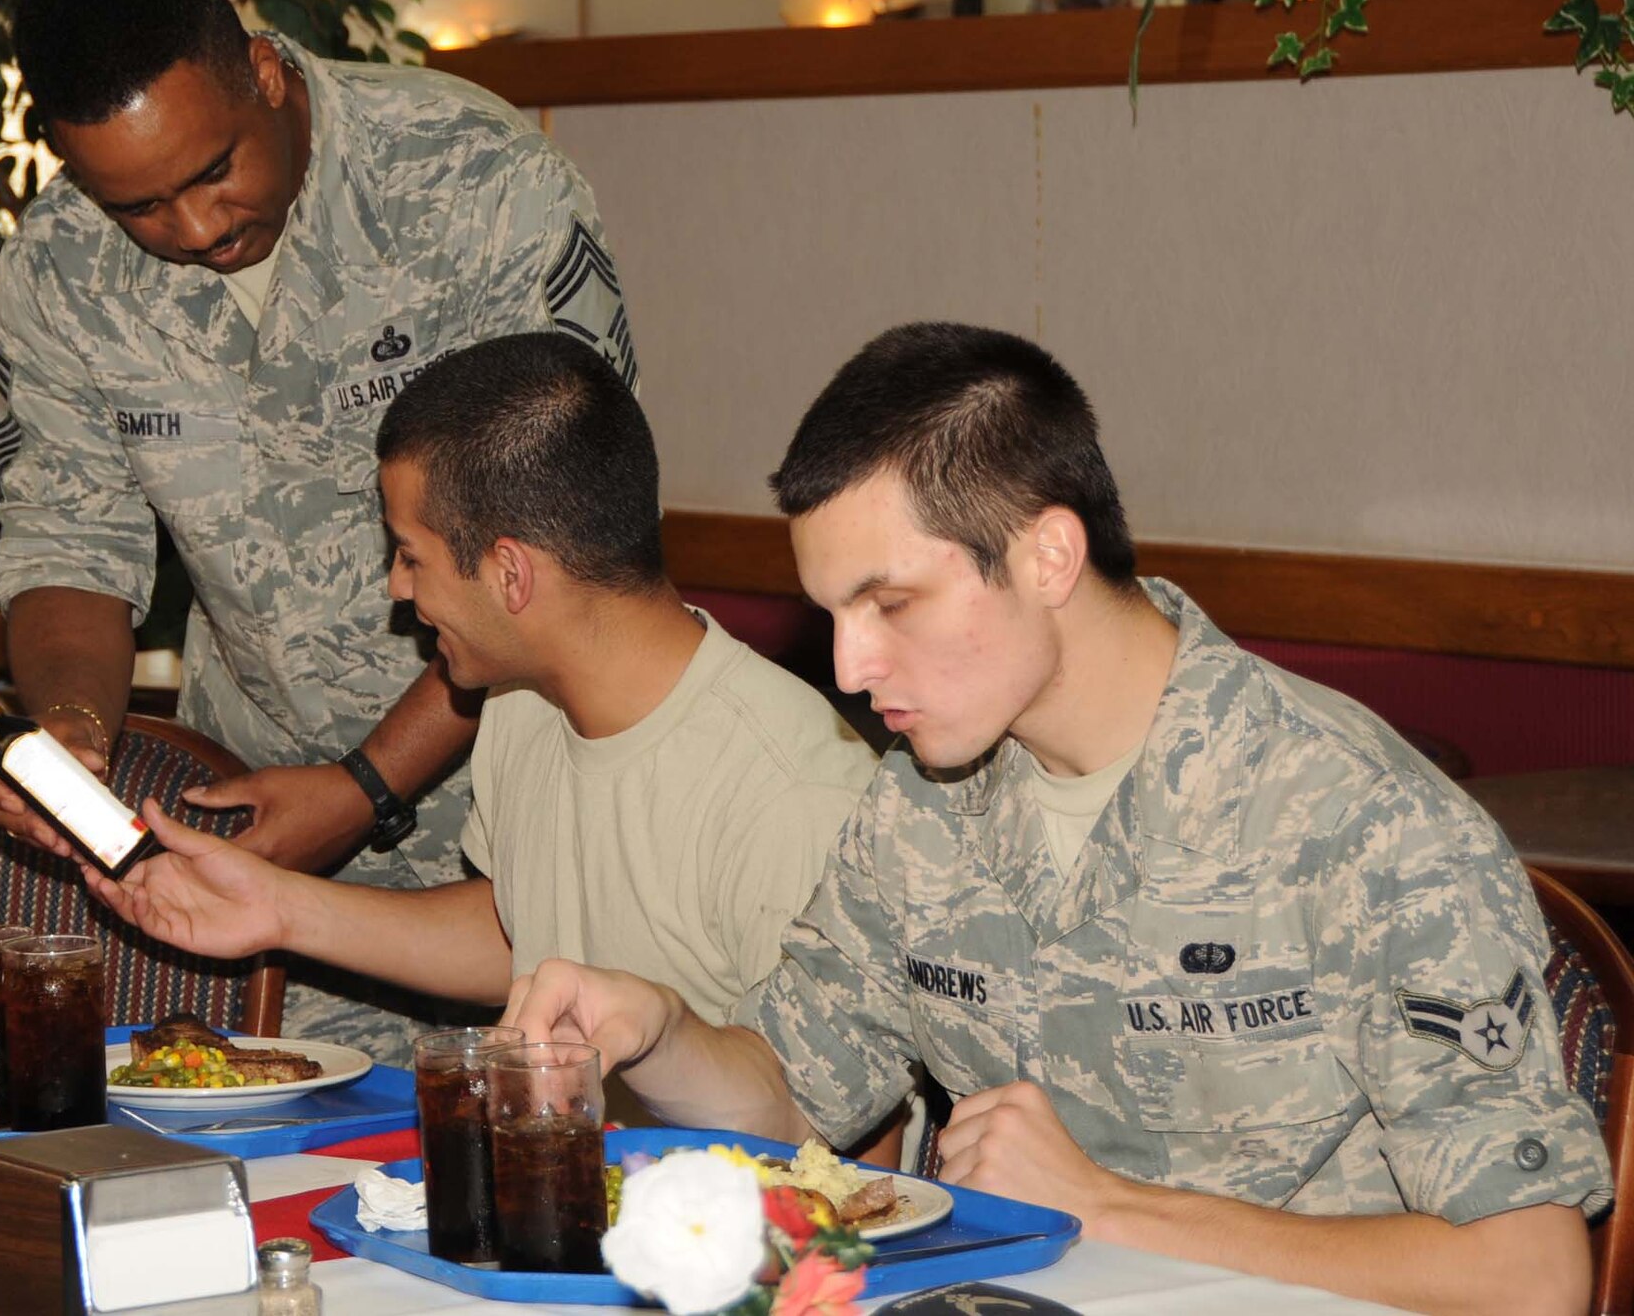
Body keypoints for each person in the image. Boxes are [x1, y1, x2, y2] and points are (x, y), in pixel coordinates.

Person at [500, 323, 1611, 1316]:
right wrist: (659, 1026)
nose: (849, 664)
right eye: (832, 614)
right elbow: (789, 1100)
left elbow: (1528, 1276)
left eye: (889, 604)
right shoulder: (924, 807)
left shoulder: (1356, 820)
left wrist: (1103, 1204)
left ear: (1045, 554)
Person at [0, 0, 638, 1058]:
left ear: (264, 72)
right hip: (257, 834)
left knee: (521, 1190)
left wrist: (366, 787)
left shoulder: (478, 185)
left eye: (212, 170)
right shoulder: (57, 273)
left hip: (525, 823)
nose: (194, 230)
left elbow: (557, 549)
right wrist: (69, 732)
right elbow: (66, 544)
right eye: (138, 205)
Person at [81, 334, 878, 1088]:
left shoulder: (794, 794)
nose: (398, 585)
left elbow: (851, 1145)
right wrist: (279, 907)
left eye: (410, 554)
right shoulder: (519, 701)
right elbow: (522, 932)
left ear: (509, 574)